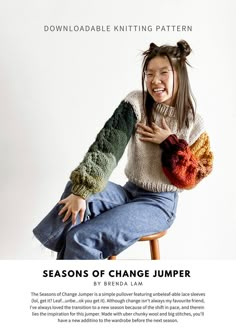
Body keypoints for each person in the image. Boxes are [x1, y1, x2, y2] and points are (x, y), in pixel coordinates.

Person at [33, 40, 213, 260]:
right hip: (128, 192)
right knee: (77, 187)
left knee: (82, 237)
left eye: (163, 73)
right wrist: (82, 192)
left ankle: (64, 267)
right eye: (149, 74)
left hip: (158, 205)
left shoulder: (194, 123)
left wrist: (170, 142)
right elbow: (107, 146)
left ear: (180, 75)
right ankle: (59, 254)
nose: (155, 80)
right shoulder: (136, 102)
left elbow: (194, 176)